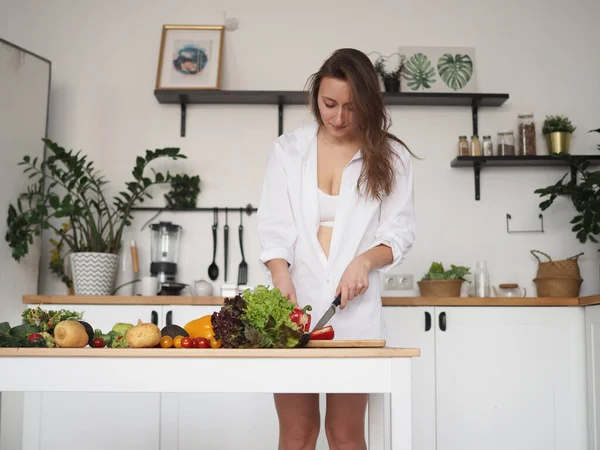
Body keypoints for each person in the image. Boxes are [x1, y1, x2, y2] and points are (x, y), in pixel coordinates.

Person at [257, 48, 416, 450]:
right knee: (298, 432)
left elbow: (399, 232)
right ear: (316, 98)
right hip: (292, 308)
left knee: (344, 434)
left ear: (368, 104)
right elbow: (274, 228)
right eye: (329, 104)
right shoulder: (288, 151)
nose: (339, 118)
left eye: (351, 107)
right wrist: (279, 273)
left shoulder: (390, 154)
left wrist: (364, 261)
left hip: (354, 312)